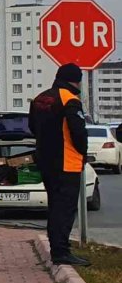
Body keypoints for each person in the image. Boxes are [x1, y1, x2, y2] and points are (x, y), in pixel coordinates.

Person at [28, 63, 90, 266]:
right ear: (76, 80)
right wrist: (83, 152)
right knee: (64, 209)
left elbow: (32, 127)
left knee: (55, 206)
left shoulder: (40, 98)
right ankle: (61, 252)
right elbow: (78, 132)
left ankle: (57, 248)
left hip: (46, 161)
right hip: (67, 162)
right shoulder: (70, 100)